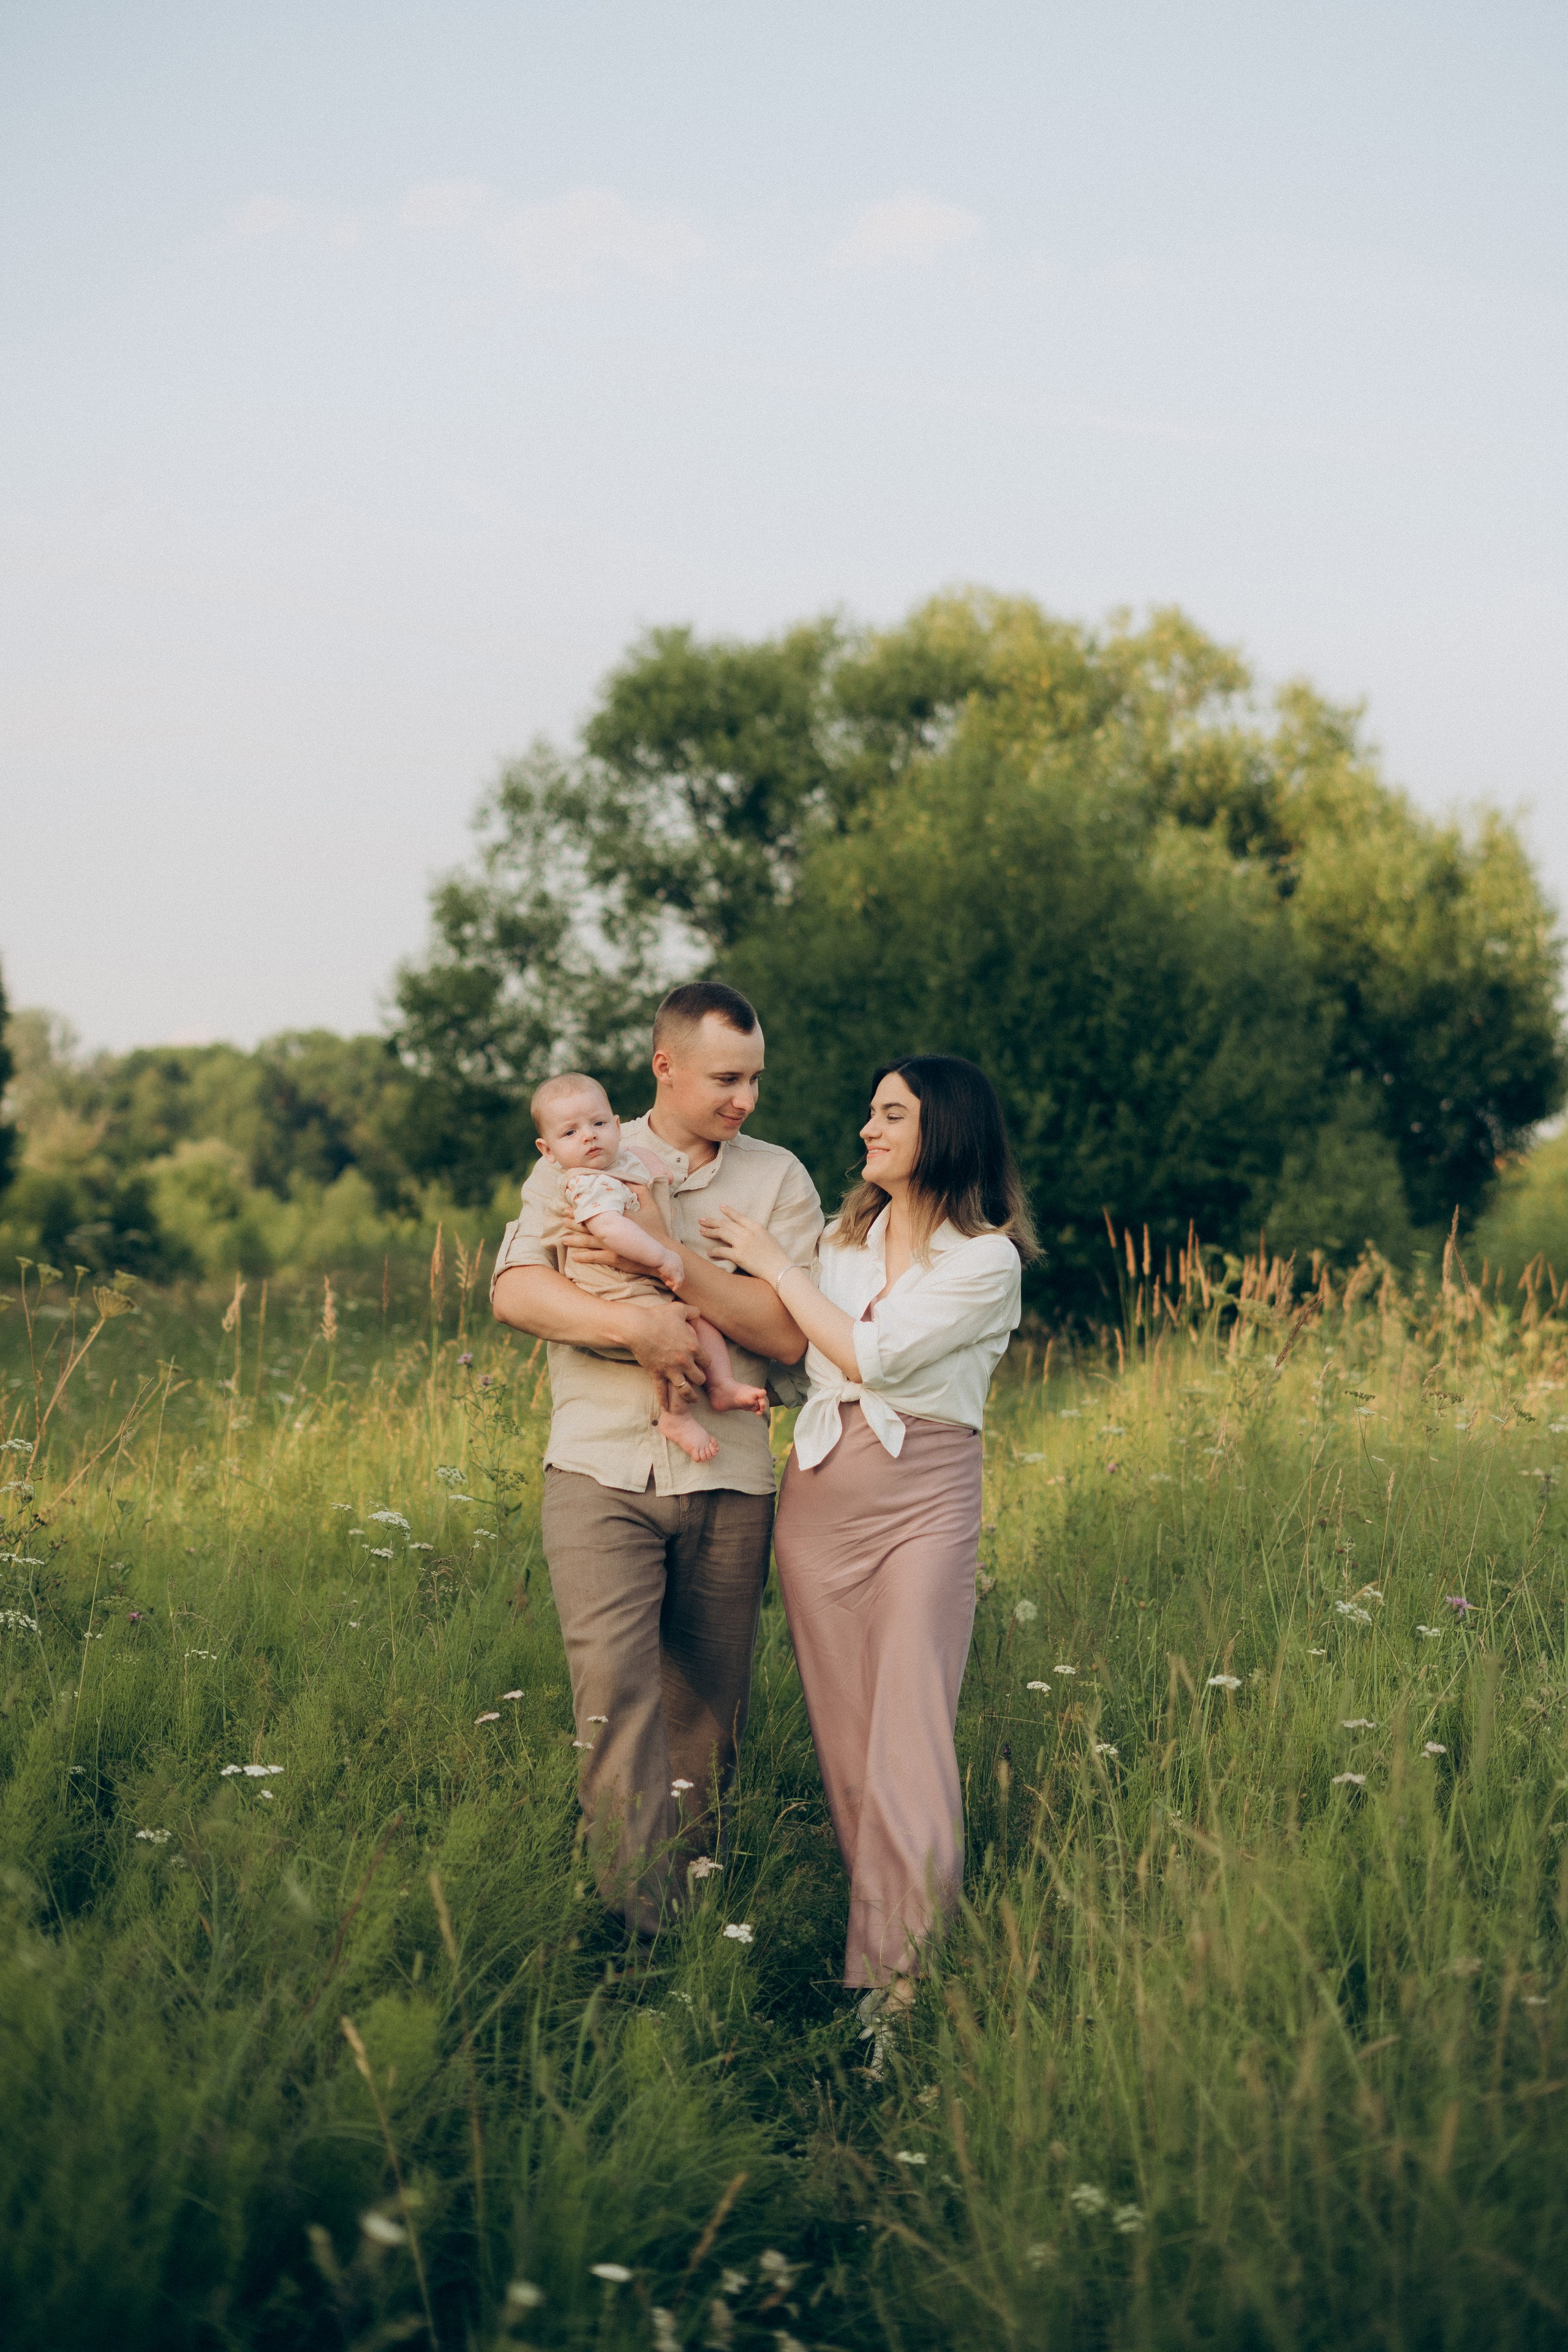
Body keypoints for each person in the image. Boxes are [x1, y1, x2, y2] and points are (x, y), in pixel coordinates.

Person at [490, 981, 823, 1934]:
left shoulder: (778, 1181)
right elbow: (518, 1293)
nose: (744, 1100)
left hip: (728, 1475)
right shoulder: (579, 1144)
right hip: (597, 1470)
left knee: (708, 1718)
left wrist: (674, 1254)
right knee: (614, 1699)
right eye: (726, 1078)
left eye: (756, 1079)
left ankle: (701, 1913)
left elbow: (783, 1333)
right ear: (664, 1066)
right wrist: (634, 1327)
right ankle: (640, 1933)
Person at [701, 1054, 1033, 2001]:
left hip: (923, 1497)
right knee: (850, 1748)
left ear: (948, 1130)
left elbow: (872, 1355)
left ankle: (913, 1985)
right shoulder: (843, 1244)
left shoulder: (986, 1259)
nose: (868, 1130)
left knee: (910, 1738)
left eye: (892, 1114)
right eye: (871, 1113)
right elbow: (789, 1334)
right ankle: (879, 1972)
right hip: (820, 1495)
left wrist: (771, 1262)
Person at [527, 1069, 770, 1463]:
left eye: (599, 1124)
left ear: (617, 1126)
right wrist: (663, 1255)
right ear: (548, 1151)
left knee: (701, 1323)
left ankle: (722, 1385)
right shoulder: (585, 1182)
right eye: (570, 1133)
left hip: (641, 1285)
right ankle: (676, 1417)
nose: (589, 1135)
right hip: (616, 1288)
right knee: (670, 1339)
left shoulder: (620, 1163)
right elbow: (610, 1228)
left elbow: (648, 1172)